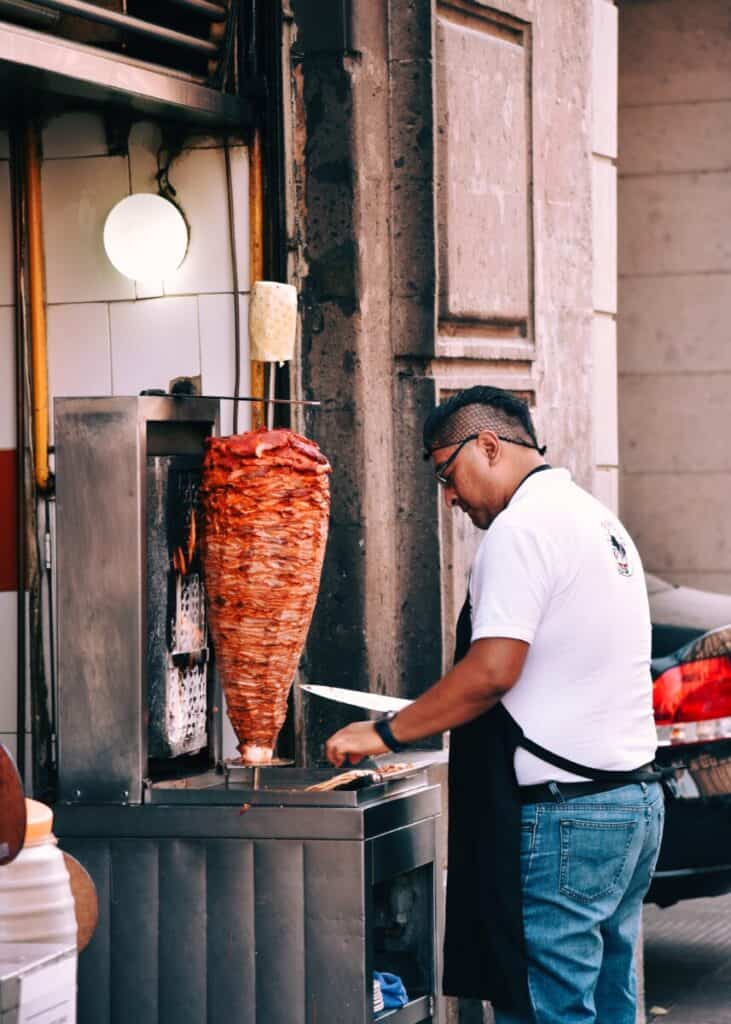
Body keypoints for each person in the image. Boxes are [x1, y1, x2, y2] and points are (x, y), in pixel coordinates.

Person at [325, 385, 664, 1024]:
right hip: (630, 805)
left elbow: (491, 672)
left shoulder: (522, 530)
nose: (449, 497)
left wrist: (386, 733)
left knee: (545, 1012)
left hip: (567, 816)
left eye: (446, 474)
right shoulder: (594, 518)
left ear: (488, 445)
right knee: (609, 1003)